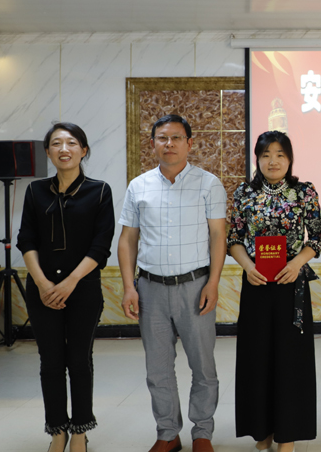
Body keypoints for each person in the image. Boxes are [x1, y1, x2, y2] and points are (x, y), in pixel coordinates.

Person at [118, 114, 227, 452]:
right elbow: (127, 239)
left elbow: (218, 236)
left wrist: (213, 283)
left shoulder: (209, 184)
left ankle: (202, 432)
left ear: (189, 143)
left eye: (176, 138)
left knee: (203, 366)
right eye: (162, 138)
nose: (169, 144)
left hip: (195, 287)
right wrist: (129, 286)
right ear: (153, 143)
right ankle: (167, 434)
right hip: (150, 288)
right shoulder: (138, 186)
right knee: (158, 368)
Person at [16, 122, 115, 452]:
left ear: (83, 150)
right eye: (56, 143)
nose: (64, 149)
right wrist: (43, 284)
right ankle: (57, 430)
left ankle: (80, 431)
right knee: (51, 362)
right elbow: (26, 240)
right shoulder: (35, 191)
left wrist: (70, 281)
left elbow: (101, 246)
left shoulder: (99, 191)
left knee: (79, 359)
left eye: (72, 143)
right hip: (42, 289)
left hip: (83, 288)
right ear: (48, 152)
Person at [228, 131, 321, 452]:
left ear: (289, 158)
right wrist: (248, 266)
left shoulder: (303, 192)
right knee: (257, 357)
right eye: (266, 154)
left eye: (280, 154)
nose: (273, 161)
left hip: (291, 284)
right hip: (256, 282)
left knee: (290, 359)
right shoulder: (244, 193)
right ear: (257, 159)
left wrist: (296, 264)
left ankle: (288, 434)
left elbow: (317, 237)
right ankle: (262, 429)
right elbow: (234, 238)